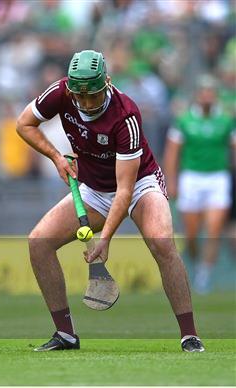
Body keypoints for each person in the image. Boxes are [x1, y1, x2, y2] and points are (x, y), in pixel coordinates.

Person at [16, 50, 204, 352]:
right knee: (38, 242)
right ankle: (65, 334)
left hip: (140, 184)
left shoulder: (125, 115)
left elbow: (125, 190)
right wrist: (55, 157)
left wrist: (105, 238)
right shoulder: (60, 92)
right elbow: (24, 124)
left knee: (162, 242)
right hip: (94, 188)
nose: (87, 103)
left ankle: (189, 335)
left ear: (108, 82)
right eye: (81, 96)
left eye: (94, 95)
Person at [164, 75, 236, 294]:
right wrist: (172, 180)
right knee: (192, 234)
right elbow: (172, 153)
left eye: (210, 91)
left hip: (218, 178)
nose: (207, 95)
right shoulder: (185, 121)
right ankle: (196, 265)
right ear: (198, 94)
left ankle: (205, 274)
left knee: (213, 229)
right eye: (203, 91)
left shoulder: (225, 121)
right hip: (191, 178)